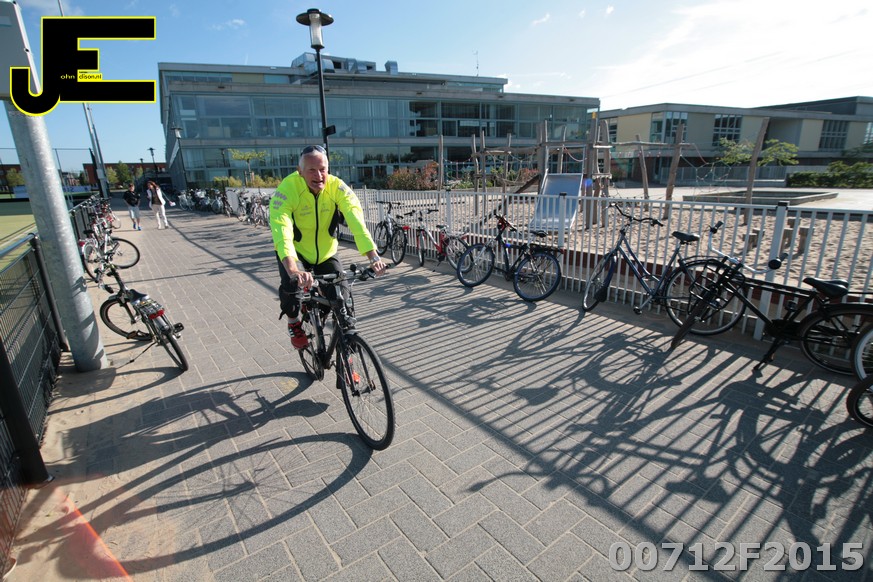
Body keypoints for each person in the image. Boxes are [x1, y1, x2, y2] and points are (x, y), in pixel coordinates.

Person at [270, 145, 387, 349]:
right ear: (300, 171)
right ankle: (294, 323)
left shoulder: (336, 187)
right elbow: (282, 232)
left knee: (342, 298)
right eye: (311, 170)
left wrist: (373, 257)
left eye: (322, 169)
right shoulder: (287, 190)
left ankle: (346, 351)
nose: (319, 176)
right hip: (296, 254)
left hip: (326, 253)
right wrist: (294, 269)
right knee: (291, 290)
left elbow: (356, 221)